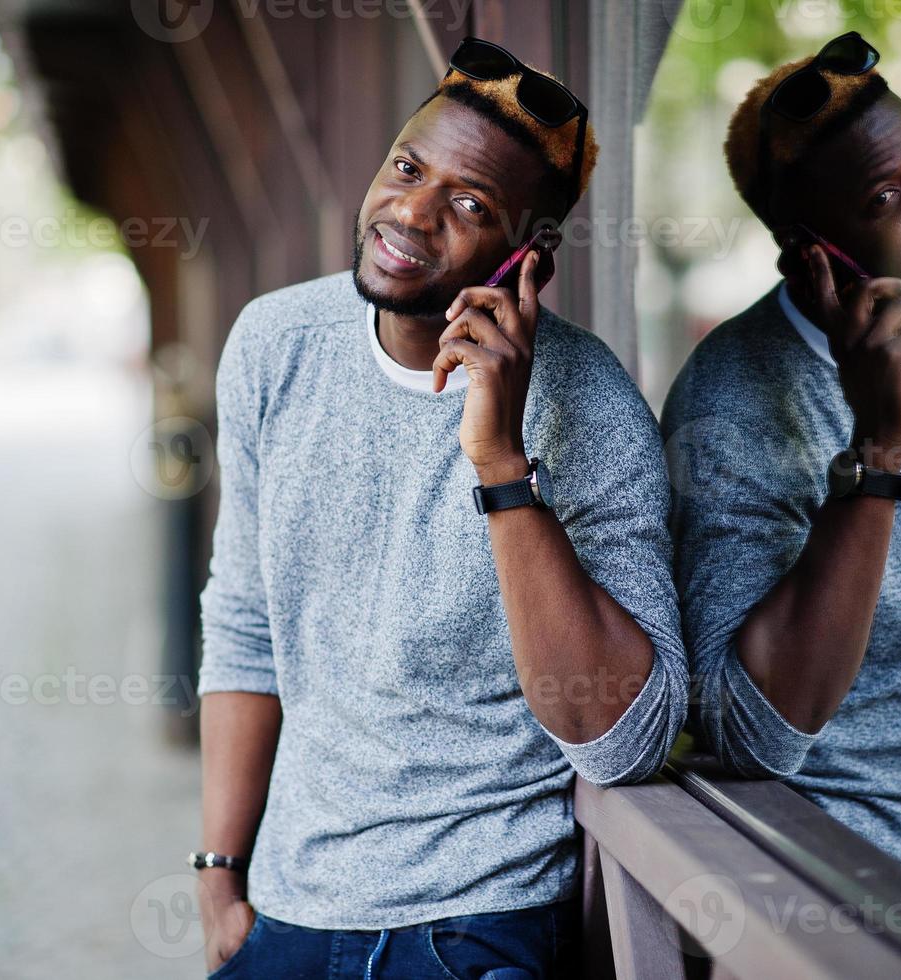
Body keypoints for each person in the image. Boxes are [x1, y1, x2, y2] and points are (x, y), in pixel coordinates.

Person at [195, 38, 687, 979]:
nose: (411, 213)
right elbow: (246, 623)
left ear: (527, 254)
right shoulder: (274, 345)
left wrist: (500, 461)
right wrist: (221, 876)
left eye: (469, 204)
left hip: (476, 927)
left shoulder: (592, 407)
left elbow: (626, 736)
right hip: (285, 915)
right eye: (407, 167)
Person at [661, 32, 901, 887]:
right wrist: (877, 452)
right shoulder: (730, 399)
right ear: (812, 252)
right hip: (865, 884)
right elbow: (753, 729)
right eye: (888, 194)